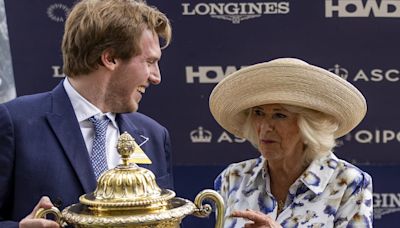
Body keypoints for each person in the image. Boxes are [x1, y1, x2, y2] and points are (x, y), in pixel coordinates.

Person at [0, 0, 174, 227]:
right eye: (149, 61)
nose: (156, 77)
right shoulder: (15, 123)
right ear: (110, 58)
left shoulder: (155, 136)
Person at [210, 58, 373, 227]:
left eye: (279, 115)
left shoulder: (349, 182)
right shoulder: (233, 178)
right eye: (258, 113)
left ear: (308, 126)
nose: (265, 127)